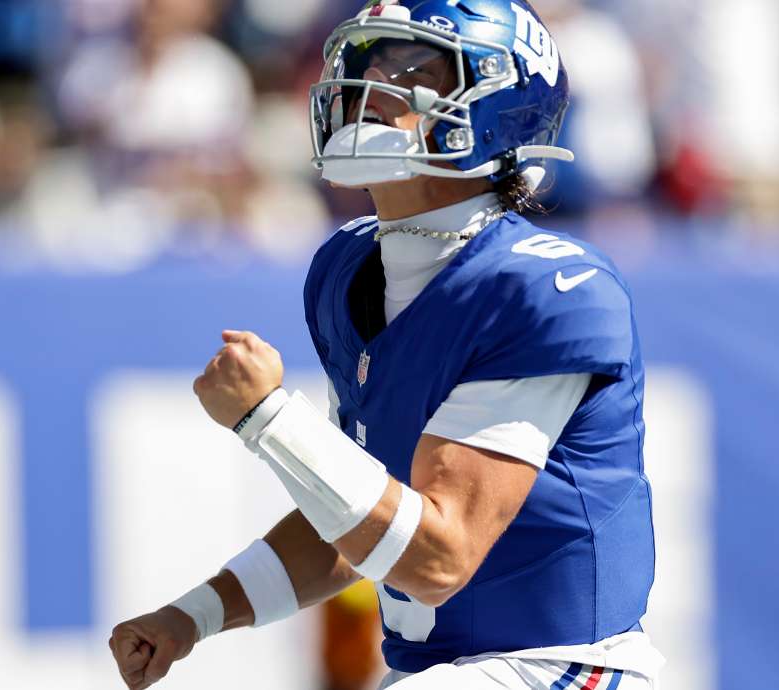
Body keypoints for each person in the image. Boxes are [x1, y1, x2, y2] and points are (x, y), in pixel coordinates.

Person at [108, 1, 664, 688]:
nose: (370, 90)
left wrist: (268, 420)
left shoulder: (545, 286)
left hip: (560, 665)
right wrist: (189, 618)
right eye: (369, 68)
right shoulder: (346, 271)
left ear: (497, 101)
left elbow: (436, 560)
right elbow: (354, 524)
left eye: (413, 70)